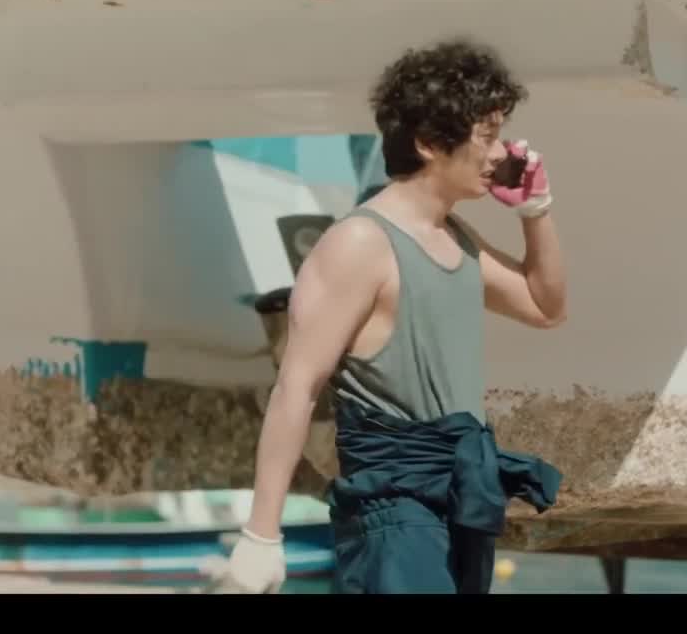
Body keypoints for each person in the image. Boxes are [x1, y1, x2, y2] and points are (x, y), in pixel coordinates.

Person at [219, 39, 567, 594]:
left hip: (460, 501)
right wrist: (262, 535)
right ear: (429, 142)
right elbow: (295, 388)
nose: (501, 153)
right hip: (394, 513)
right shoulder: (360, 242)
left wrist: (535, 210)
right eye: (486, 135)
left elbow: (545, 307)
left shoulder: (455, 237)